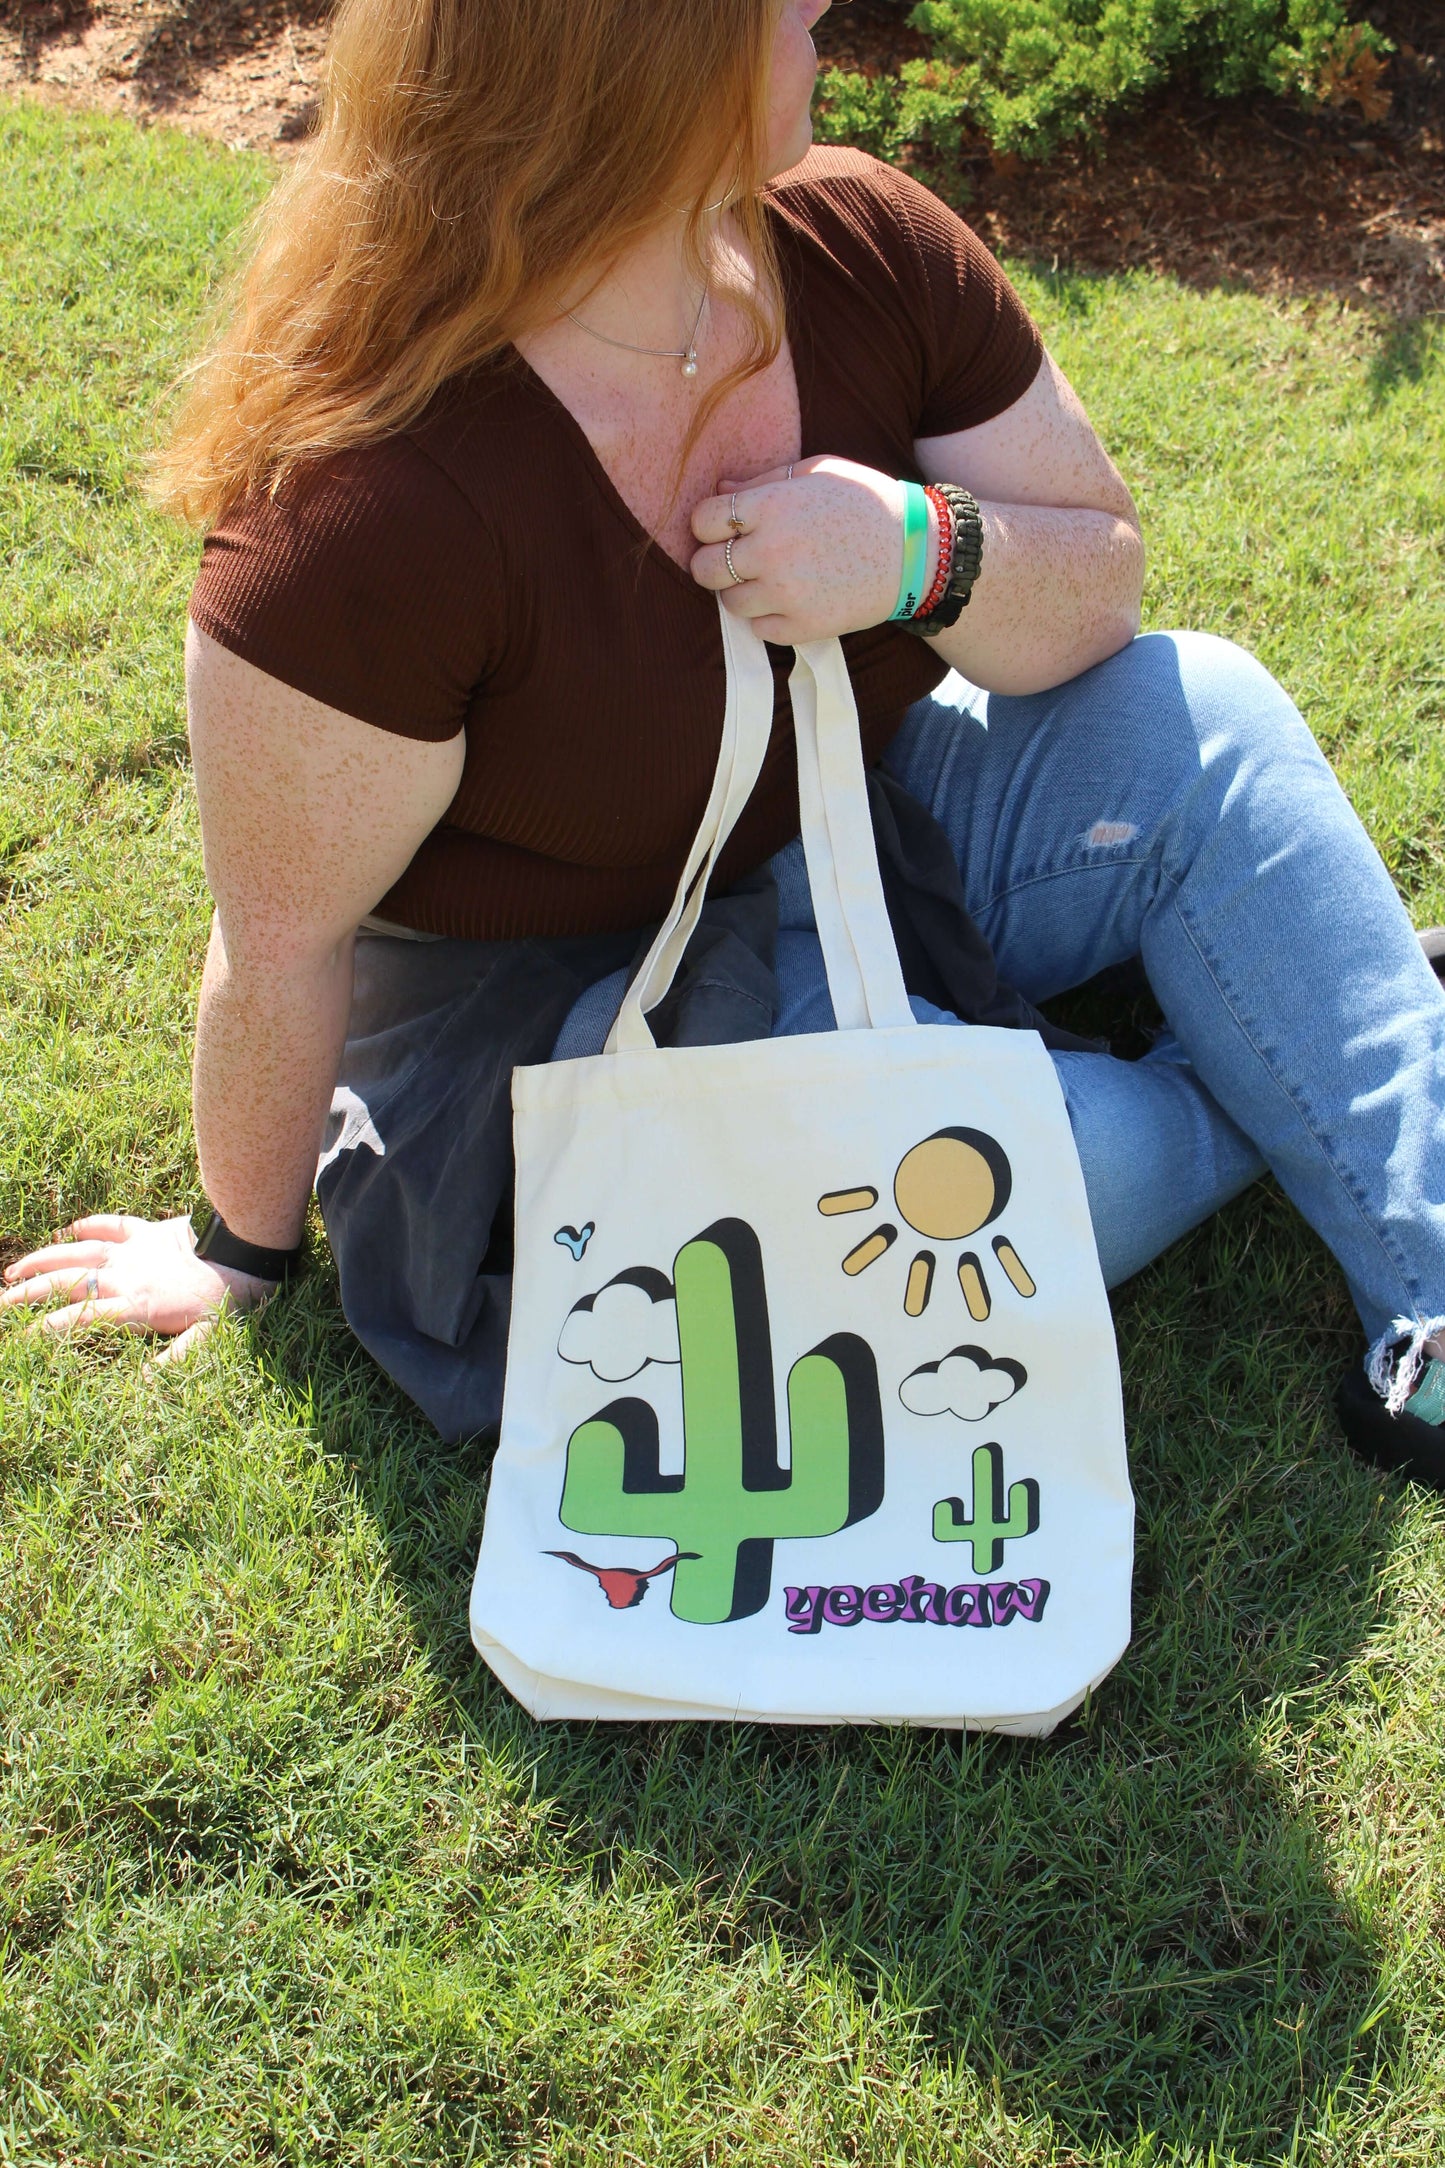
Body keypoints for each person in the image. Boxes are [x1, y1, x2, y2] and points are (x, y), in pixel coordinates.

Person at [6, 0, 1445, 1484]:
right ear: (627, 59)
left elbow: (1097, 597)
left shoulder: (856, 238)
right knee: (1040, 1184)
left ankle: (1432, 1300)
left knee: (1196, 708)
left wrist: (912, 554)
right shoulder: (365, 507)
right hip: (559, 1007)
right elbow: (284, 938)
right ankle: (1323, 1020)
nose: (822, 5)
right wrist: (239, 1249)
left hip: (850, 829)